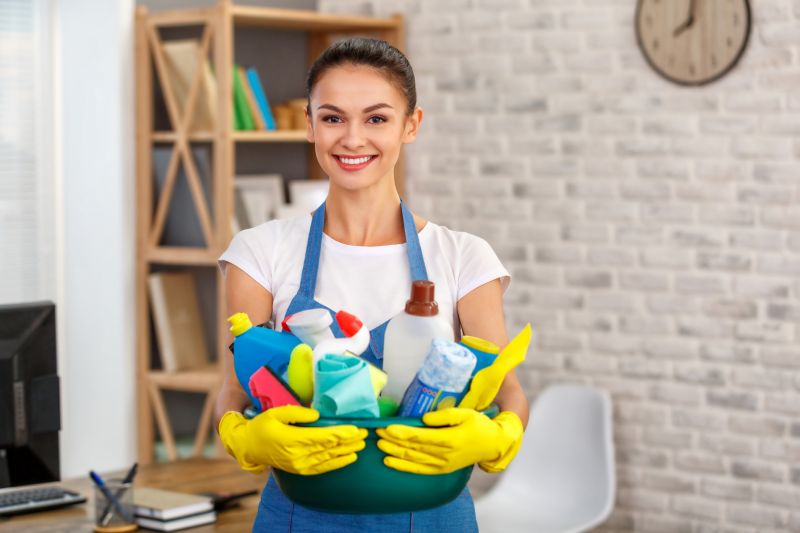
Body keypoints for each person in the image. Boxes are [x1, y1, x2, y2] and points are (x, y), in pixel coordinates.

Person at [215, 37, 529, 532]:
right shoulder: (260, 252)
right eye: (333, 117)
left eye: (377, 119)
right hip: (299, 516)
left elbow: (509, 395)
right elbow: (234, 392)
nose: (352, 139)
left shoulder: (464, 256)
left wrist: (495, 436)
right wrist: (243, 436)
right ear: (310, 124)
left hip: (432, 517)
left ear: (411, 126)